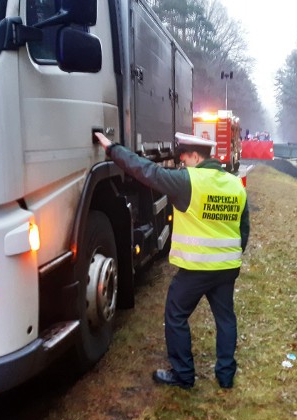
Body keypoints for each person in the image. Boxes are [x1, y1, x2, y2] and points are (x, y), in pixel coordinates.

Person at [94, 131, 250, 390]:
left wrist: (113, 149)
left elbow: (146, 172)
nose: (182, 162)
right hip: (227, 268)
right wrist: (232, 255)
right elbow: (243, 229)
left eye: (184, 157)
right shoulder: (235, 184)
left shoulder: (188, 181)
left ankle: (184, 375)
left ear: (195, 156)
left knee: (176, 315)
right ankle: (225, 375)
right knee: (225, 319)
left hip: (196, 269)